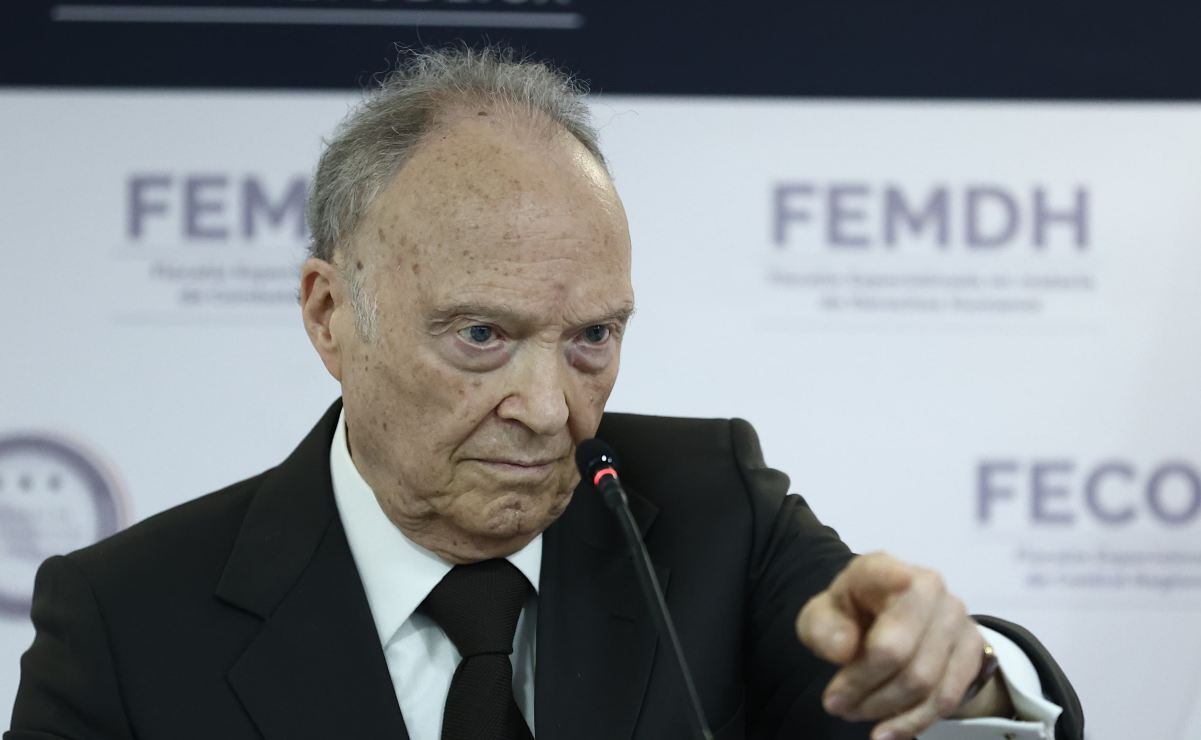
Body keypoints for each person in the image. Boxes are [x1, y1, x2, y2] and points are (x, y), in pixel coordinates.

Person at [6, 47, 1082, 740]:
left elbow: (898, 696)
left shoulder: (713, 512)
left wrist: (958, 673)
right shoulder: (126, 619)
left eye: (591, 338)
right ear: (331, 315)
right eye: (482, 335)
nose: (551, 410)